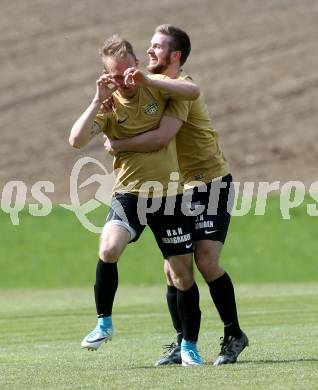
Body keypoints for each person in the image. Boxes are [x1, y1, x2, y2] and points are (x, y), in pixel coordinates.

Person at [104, 25, 249, 366]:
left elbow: (160, 138)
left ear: (175, 56)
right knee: (174, 269)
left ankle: (233, 333)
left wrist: (119, 145)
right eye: (150, 46)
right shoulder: (157, 92)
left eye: (157, 47)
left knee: (206, 261)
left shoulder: (180, 89)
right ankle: (183, 342)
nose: (150, 51)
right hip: (178, 188)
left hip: (211, 183)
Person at [69, 35, 204, 366]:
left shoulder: (158, 87)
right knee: (108, 249)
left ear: (137, 66)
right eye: (115, 76)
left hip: (169, 196)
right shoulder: (109, 103)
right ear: (107, 76)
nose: (123, 81)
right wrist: (95, 100)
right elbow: (76, 140)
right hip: (129, 195)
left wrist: (144, 81)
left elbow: (192, 91)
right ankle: (104, 323)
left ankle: (189, 345)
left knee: (182, 275)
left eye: (128, 72)